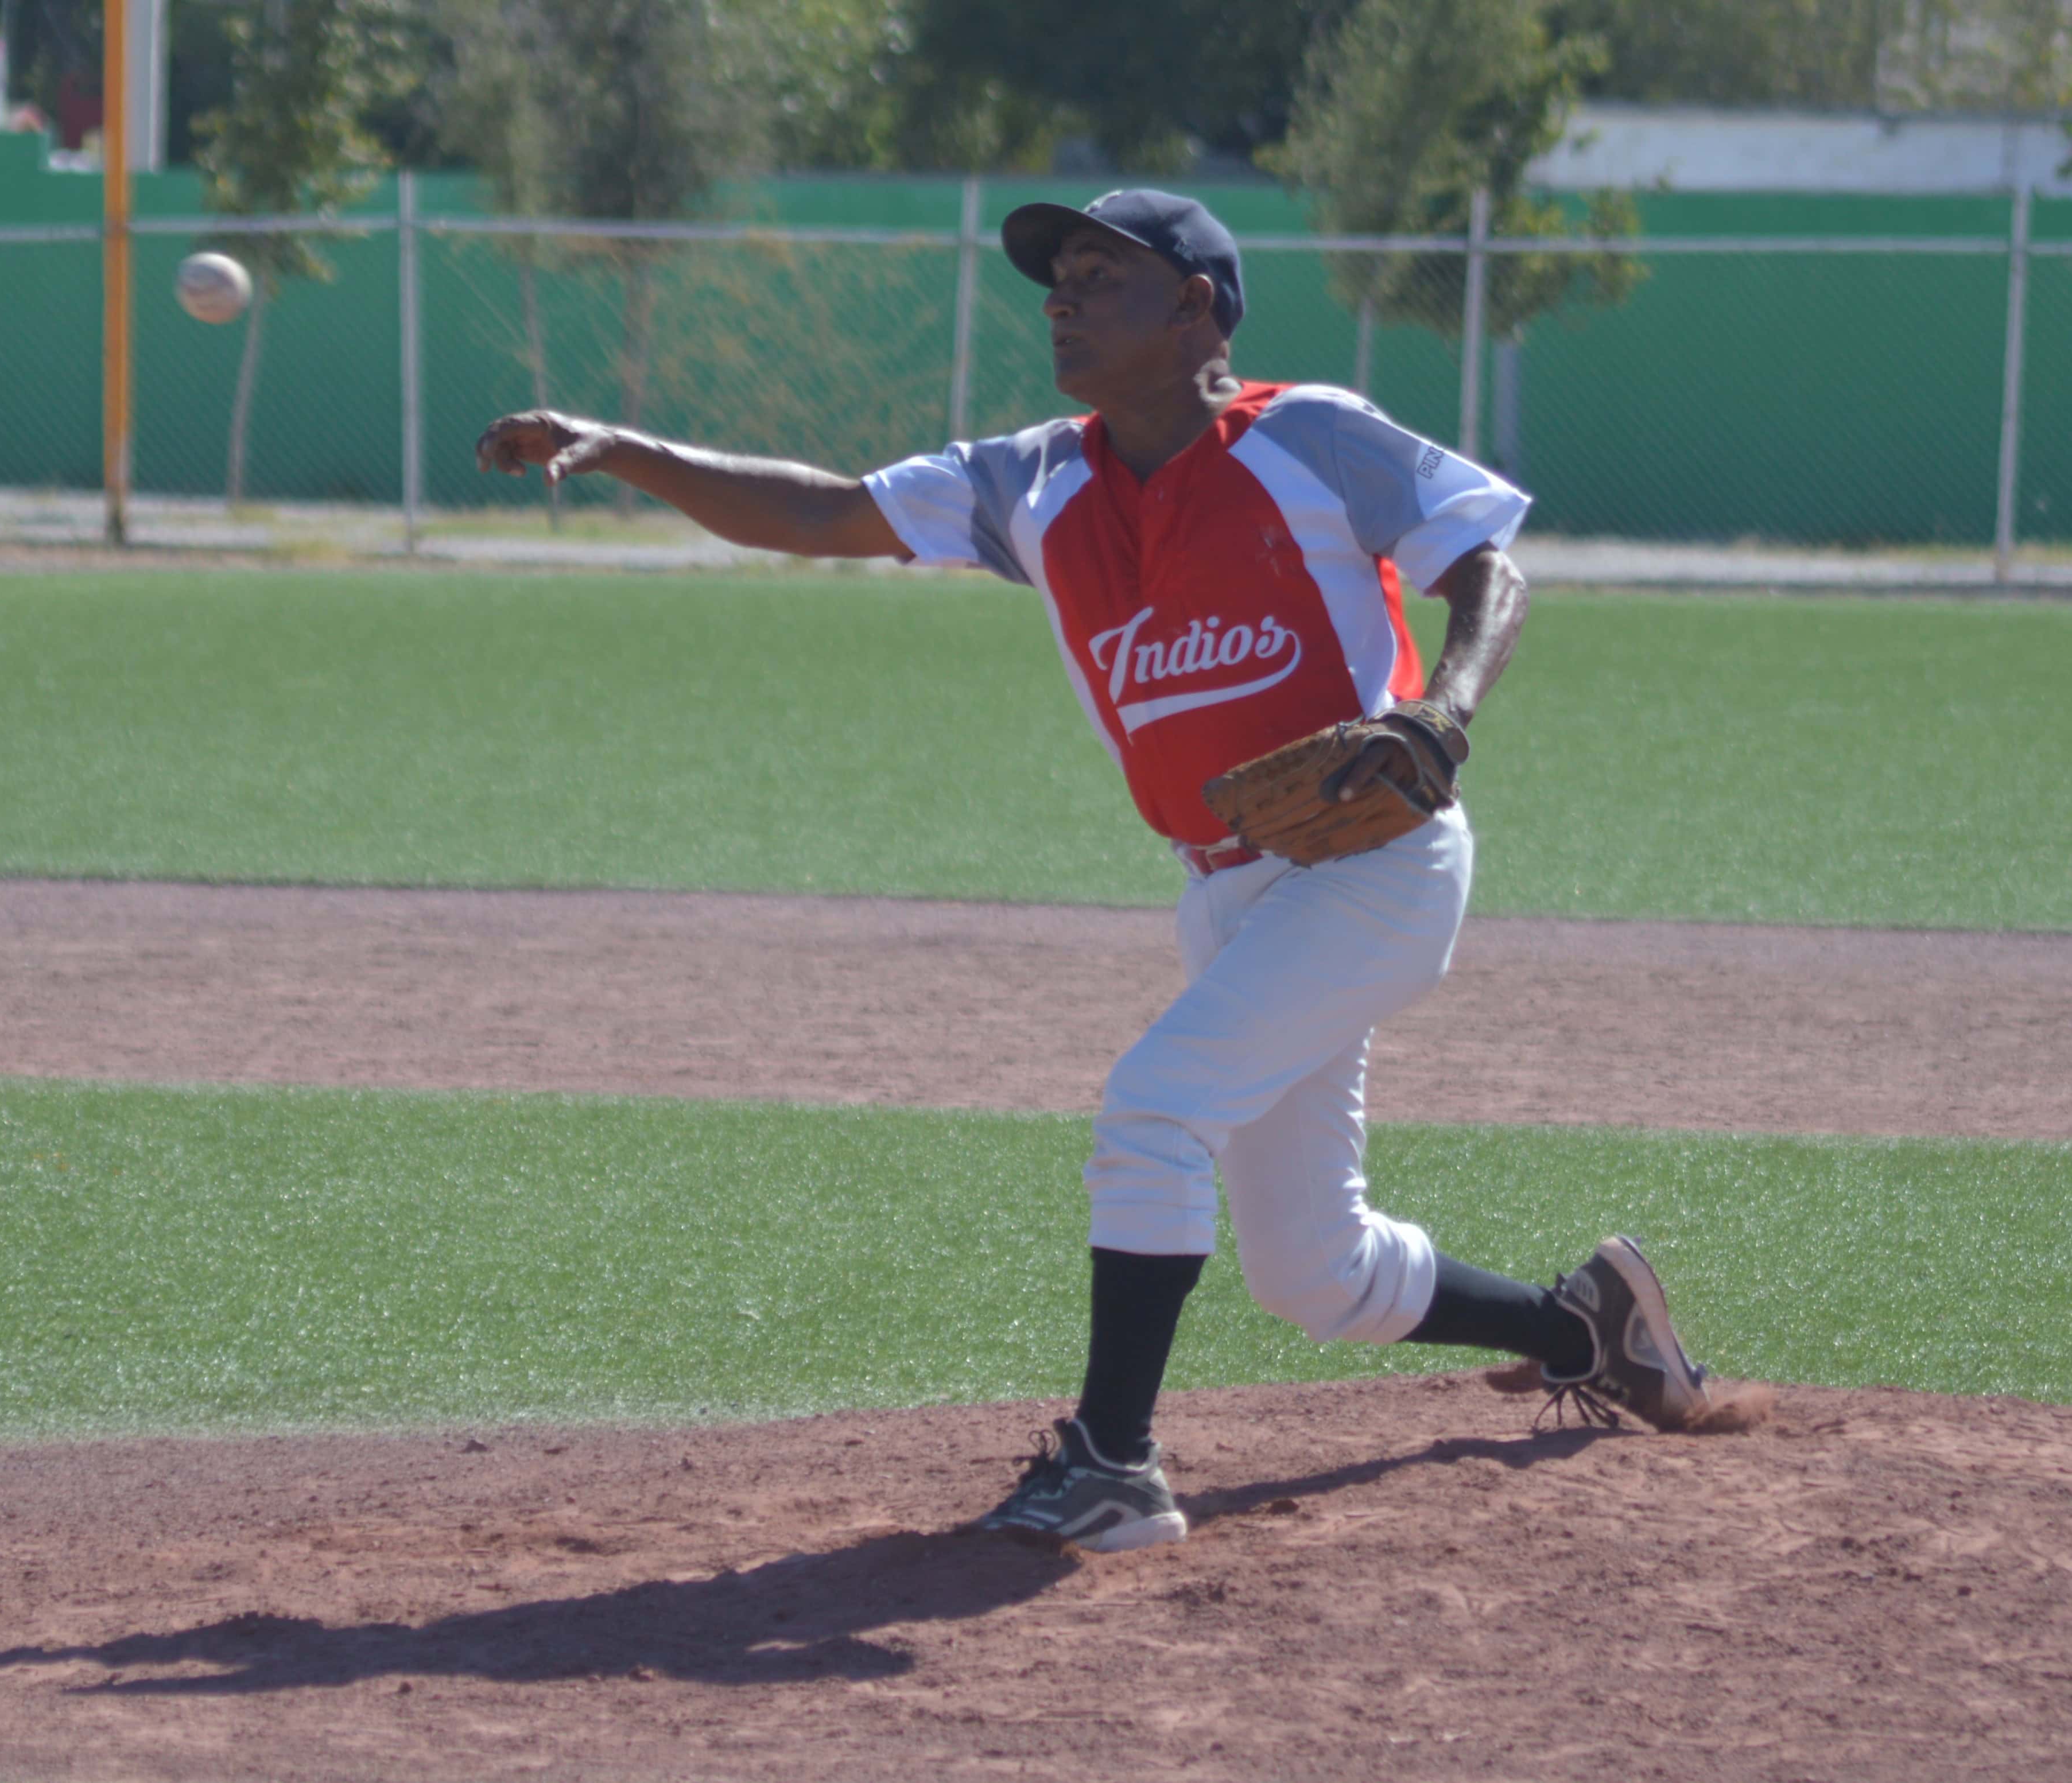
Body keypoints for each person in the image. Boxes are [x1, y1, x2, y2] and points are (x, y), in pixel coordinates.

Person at [476, 188, 1713, 1553]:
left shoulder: (1308, 437)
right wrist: (623, 450)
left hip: (1375, 862)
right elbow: (830, 511)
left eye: (1098, 275)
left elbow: (1489, 570)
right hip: (1229, 890)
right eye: (1054, 277)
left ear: (1197, 307)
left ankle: (1112, 1464)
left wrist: (1444, 712)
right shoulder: (1035, 480)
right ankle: (1584, 1325)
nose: (1060, 298)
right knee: (1316, 1273)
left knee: (1151, 1112)